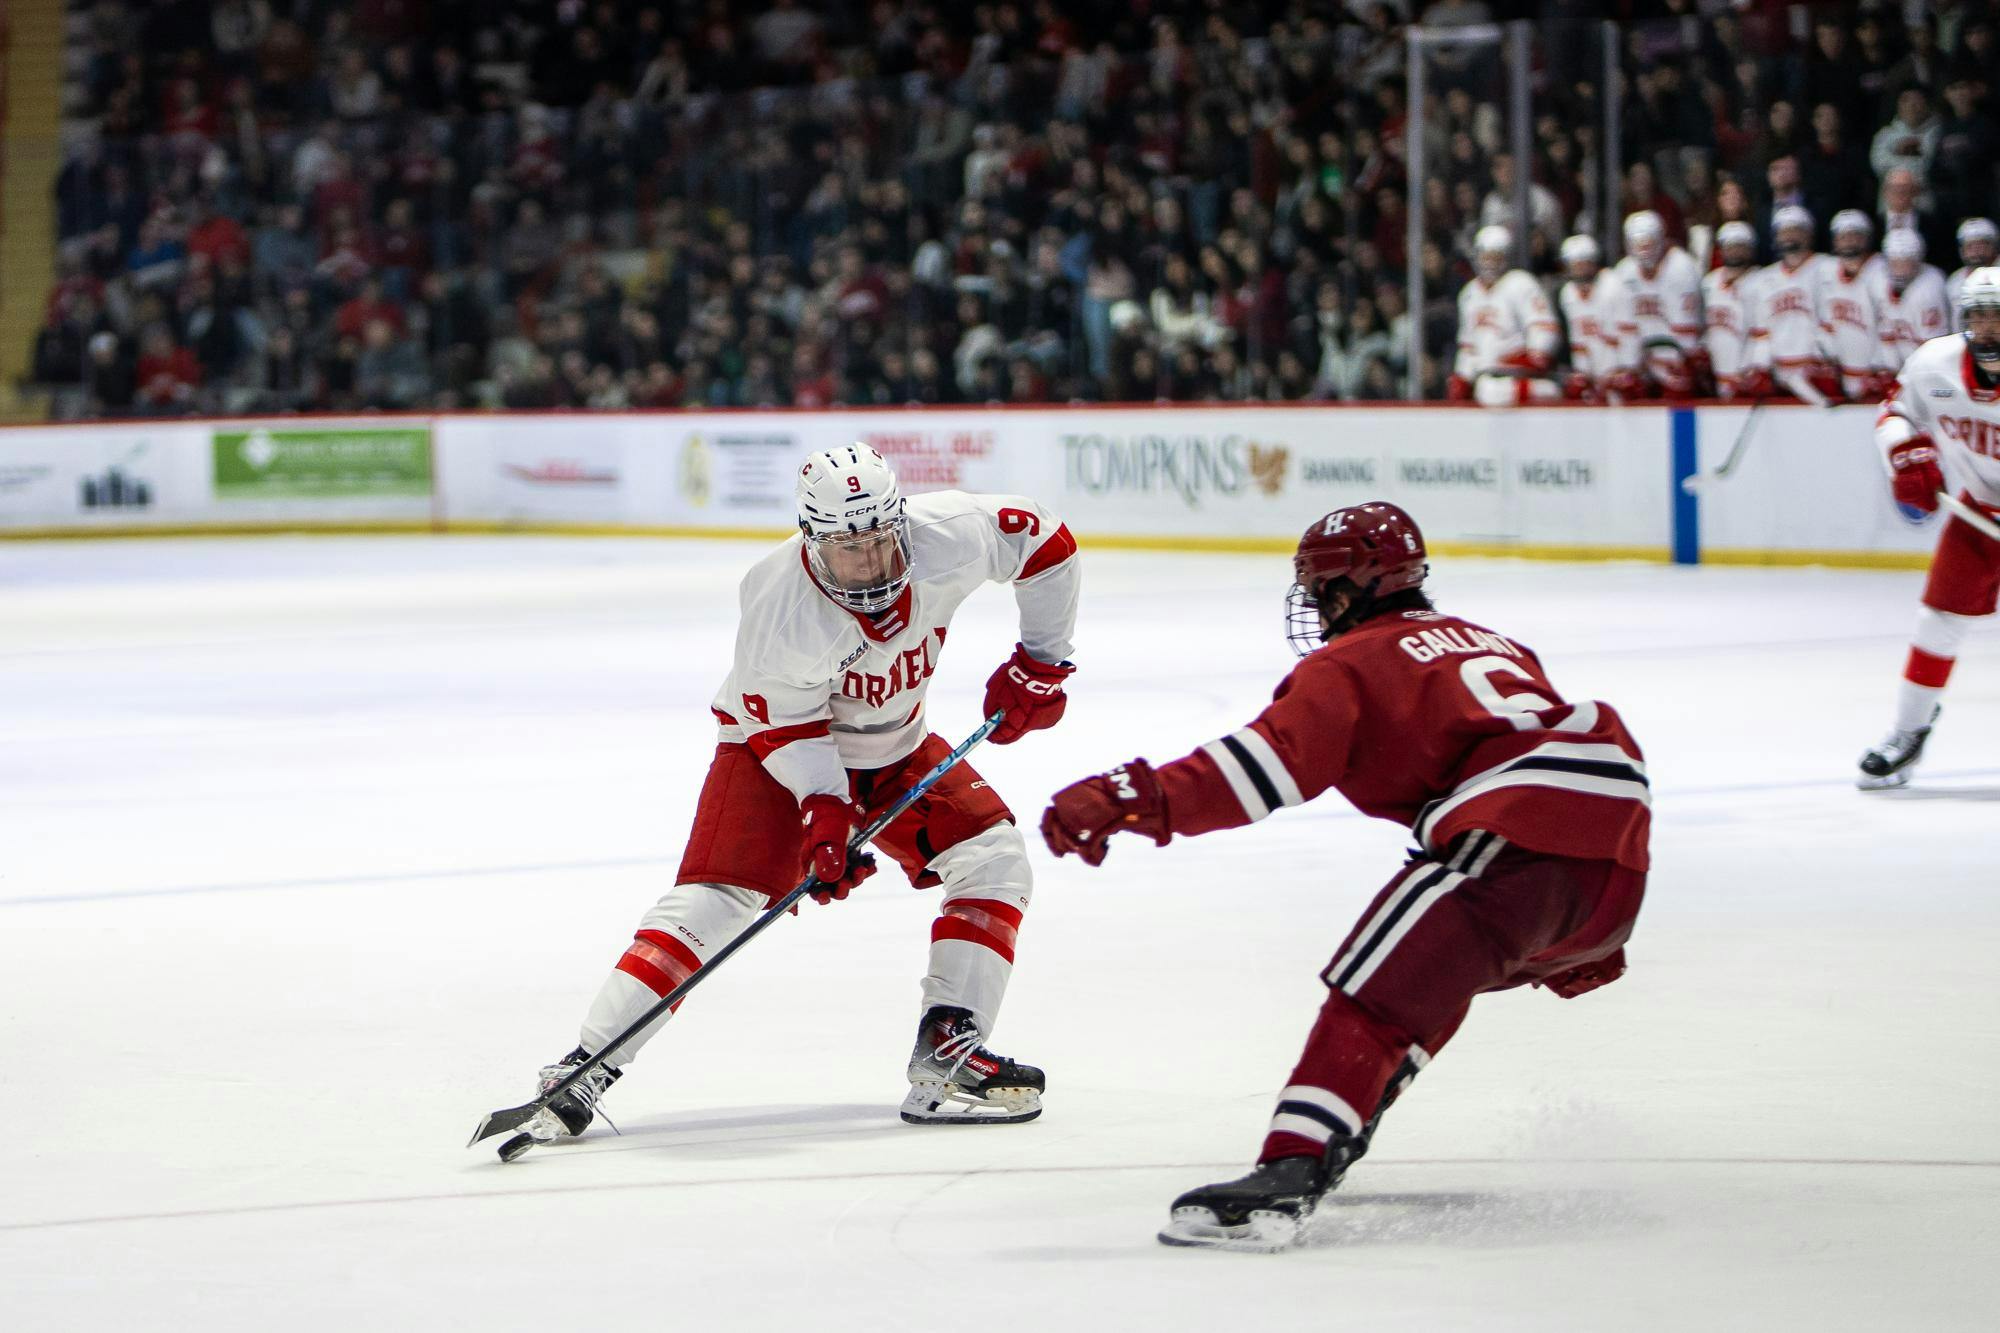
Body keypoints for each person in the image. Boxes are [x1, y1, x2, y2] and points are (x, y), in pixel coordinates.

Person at [1040, 503, 1650, 1251]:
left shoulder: (1348, 663)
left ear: (1345, 590)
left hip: (1522, 830)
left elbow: (1259, 770)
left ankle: (1291, 1167)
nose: (1317, 608)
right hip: (1613, 853)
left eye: (1321, 591)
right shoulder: (1496, 642)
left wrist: (1133, 797)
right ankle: (1338, 1121)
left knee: (1374, 991)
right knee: (1426, 974)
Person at [500, 445, 1082, 1155]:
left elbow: (1045, 540)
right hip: (775, 748)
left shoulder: (951, 531)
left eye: (879, 542)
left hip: (894, 745)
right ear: (812, 541)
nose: (868, 565)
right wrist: (825, 812)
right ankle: (585, 1065)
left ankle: (946, 1051)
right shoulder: (778, 604)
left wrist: (1042, 663)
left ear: (901, 522)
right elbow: (786, 722)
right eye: (846, 550)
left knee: (994, 860)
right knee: (713, 902)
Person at [1859, 270, 2000, 789]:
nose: (1987, 329)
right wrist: (1903, 453)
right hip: (1980, 512)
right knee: (1937, 621)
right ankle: (1908, 731)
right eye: (1978, 316)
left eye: (1998, 316)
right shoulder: (1934, 363)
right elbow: (1894, 412)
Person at [1449, 225, 1559, 407]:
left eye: (1495, 257)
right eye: (1486, 256)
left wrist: (1536, 355)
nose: (1489, 263)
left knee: (1493, 392)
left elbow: (1543, 327)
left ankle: (1544, 391)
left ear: (1505, 258)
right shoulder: (1468, 294)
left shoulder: (1520, 283)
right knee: (1484, 392)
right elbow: (1468, 345)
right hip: (1483, 377)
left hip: (1516, 373)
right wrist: (1462, 376)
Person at [1751, 205, 1840, 402]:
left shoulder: (1828, 267)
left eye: (1796, 229)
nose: (1790, 236)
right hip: (1779, 379)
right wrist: (1760, 367)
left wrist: (1825, 361)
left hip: (1818, 377)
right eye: (1784, 231)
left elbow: (1833, 322)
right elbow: (1762, 331)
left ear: (1809, 234)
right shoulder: (1764, 278)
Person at [1612, 210, 1704, 398]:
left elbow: (1686, 331)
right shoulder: (1624, 271)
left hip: (1679, 359)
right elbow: (1626, 327)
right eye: (1638, 244)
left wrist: (1682, 364)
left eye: (1649, 243)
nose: (1644, 250)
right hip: (1644, 363)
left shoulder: (1681, 267)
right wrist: (1630, 369)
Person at [1555, 234, 1635, 401]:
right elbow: (1578, 340)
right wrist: (1582, 372)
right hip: (1594, 374)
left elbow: (1628, 334)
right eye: (1574, 265)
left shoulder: (1613, 285)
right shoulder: (1568, 293)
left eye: (1583, 264)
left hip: (1618, 369)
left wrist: (1626, 368)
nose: (1579, 270)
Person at [1825, 210, 1890, 401]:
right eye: (1843, 236)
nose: (1849, 241)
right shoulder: (1827, 271)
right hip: (1841, 377)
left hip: (1877, 377)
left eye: (1855, 235)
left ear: (1867, 239)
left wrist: (1882, 369)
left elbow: (1889, 326)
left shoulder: (1881, 271)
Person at [1702, 221, 1770, 400]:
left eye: (1741, 245)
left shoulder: (1762, 281)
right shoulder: (1709, 283)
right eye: (1729, 245)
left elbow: (1764, 334)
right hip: (1715, 378)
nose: (1735, 251)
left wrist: (1758, 367)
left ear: (1751, 249)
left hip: (1746, 380)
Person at [1870, 229, 1950, 375]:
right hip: (1895, 367)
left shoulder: (1930, 287)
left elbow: (1932, 347)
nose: (1899, 269)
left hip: (1923, 370)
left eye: (1905, 262)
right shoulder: (1878, 280)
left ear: (1918, 260)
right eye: (1895, 262)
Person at [1947, 218, 1996, 328]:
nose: (1976, 251)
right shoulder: (1954, 281)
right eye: (1970, 246)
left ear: (1992, 247)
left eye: (1981, 245)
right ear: (1962, 250)